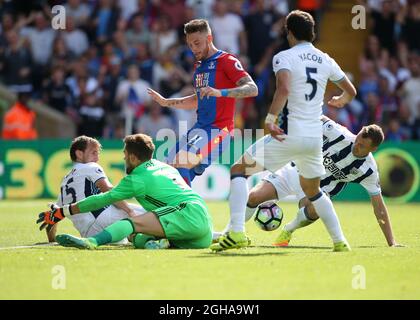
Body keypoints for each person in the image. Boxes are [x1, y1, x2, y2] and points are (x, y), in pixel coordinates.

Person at [211, 10, 357, 252]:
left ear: (289, 32)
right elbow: (350, 90)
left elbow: (284, 88)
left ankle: (236, 232)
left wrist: (270, 118)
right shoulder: (326, 59)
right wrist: (342, 99)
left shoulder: (284, 57)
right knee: (314, 191)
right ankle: (340, 241)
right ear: (313, 32)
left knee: (239, 170)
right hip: (313, 139)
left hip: (289, 133)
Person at [244, 117, 403, 248]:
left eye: (362, 146)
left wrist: (391, 242)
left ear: (373, 149)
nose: (356, 145)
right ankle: (234, 232)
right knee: (253, 197)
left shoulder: (369, 171)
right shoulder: (338, 133)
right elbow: (315, 117)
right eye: (358, 138)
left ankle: (288, 230)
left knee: (316, 209)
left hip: (317, 191)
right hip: (293, 171)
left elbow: (379, 207)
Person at [36, 134, 213, 250]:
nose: (123, 157)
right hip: (201, 223)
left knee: (132, 223)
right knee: (139, 238)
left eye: (125, 154)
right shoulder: (163, 166)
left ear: (134, 158)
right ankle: (166, 242)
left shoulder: (136, 179)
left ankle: (92, 242)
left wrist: (63, 212)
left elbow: (104, 197)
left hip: (186, 214)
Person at [147, 19, 258, 186]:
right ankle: (174, 209)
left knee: (181, 161)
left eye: (197, 43)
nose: (193, 49)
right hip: (199, 129)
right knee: (167, 167)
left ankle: (189, 210)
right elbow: (198, 100)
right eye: (190, 45)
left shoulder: (226, 60)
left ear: (209, 38)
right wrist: (166, 102)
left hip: (219, 131)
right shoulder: (199, 67)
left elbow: (252, 88)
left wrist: (220, 92)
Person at [45, 135, 145, 243]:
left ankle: (142, 239)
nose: (97, 158)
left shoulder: (65, 181)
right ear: (79, 154)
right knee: (153, 215)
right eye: (93, 153)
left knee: (127, 239)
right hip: (103, 217)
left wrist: (51, 241)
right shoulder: (90, 166)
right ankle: (160, 240)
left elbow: (54, 215)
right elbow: (109, 190)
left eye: (98, 153)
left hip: (88, 233)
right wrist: (129, 211)